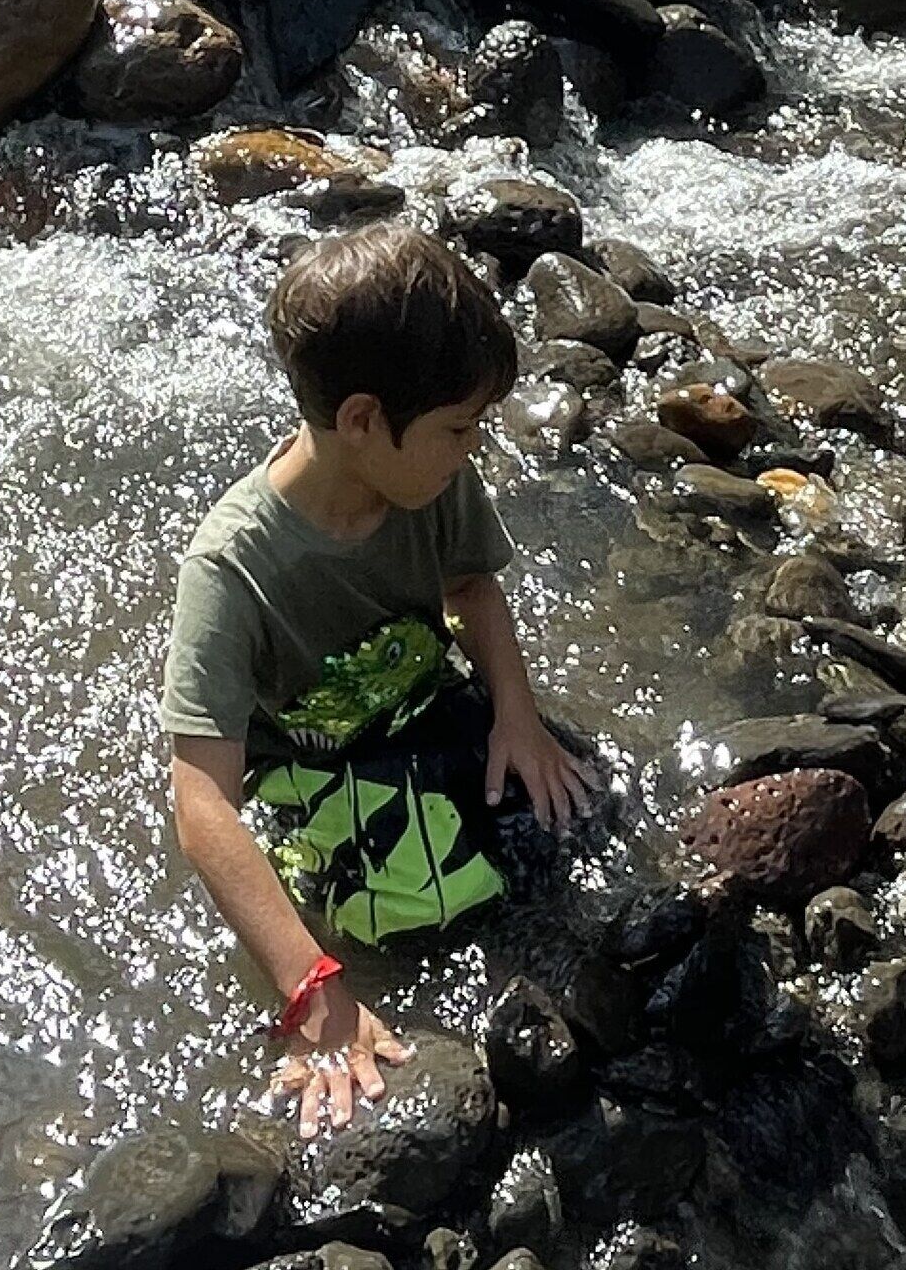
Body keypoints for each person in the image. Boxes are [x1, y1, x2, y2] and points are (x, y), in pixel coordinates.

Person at [160, 224, 598, 1136]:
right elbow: (202, 805)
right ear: (362, 422)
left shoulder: (429, 482)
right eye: (458, 428)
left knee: (581, 814)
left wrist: (520, 719)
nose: (475, 447)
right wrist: (310, 988)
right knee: (410, 922)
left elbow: (471, 584)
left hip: (425, 711)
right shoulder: (233, 568)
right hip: (317, 767)